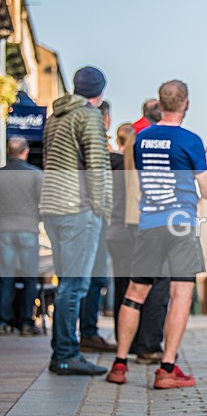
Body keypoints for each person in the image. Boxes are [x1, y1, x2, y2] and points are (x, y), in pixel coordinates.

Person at [106, 80, 207, 388]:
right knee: (180, 294)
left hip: (149, 222)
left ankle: (119, 364)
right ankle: (166, 369)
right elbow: (206, 191)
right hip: (180, 224)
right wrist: (206, 168)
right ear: (186, 104)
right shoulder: (190, 141)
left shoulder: (140, 139)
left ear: (161, 103)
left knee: (134, 293)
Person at [40, 66, 112, 375]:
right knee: (75, 283)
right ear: (100, 91)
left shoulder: (54, 118)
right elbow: (96, 165)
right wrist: (101, 208)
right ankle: (67, 355)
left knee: (65, 281)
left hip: (52, 207)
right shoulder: (89, 115)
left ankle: (61, 353)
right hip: (77, 209)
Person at [105, 122, 170, 364]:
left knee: (123, 288)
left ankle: (127, 343)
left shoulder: (108, 166)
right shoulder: (134, 166)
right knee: (152, 284)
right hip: (135, 228)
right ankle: (148, 345)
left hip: (113, 232)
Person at [78, 99, 116, 353]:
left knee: (81, 277)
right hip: (92, 214)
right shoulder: (95, 141)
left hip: (78, 213)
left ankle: (79, 335)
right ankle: (88, 333)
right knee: (93, 277)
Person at [0, 136, 43, 335]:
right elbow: (43, 202)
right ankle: (26, 322)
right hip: (28, 228)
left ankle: (3, 322)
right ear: (25, 151)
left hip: (4, 230)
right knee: (29, 278)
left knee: (5, 278)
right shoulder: (35, 175)